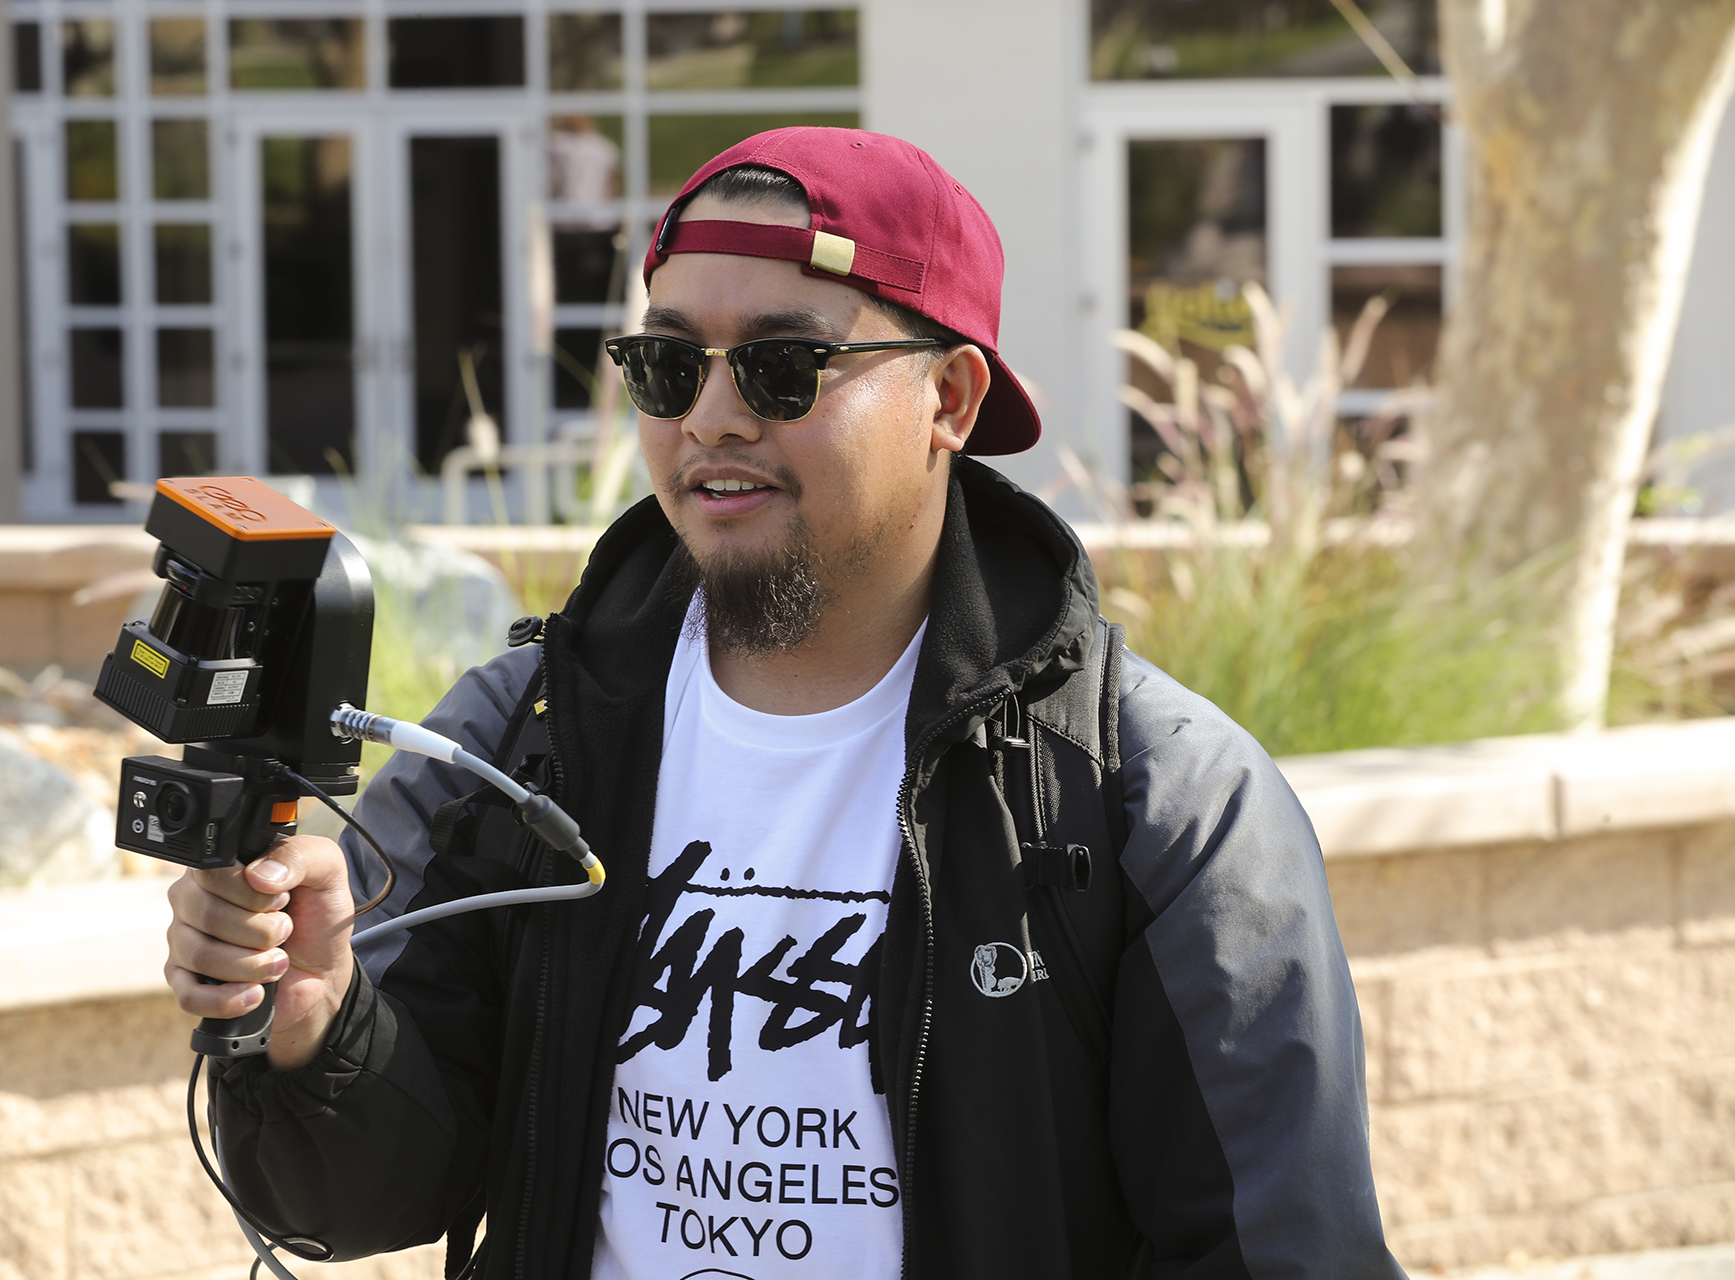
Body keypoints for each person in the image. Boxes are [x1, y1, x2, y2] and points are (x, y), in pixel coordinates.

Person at [165, 127, 1406, 1279]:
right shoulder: (516, 739)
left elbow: (1276, 1249)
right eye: (666, 362)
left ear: (951, 402)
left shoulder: (1155, 795)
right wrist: (316, 1023)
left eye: (784, 362)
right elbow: (357, 1196)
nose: (712, 414)